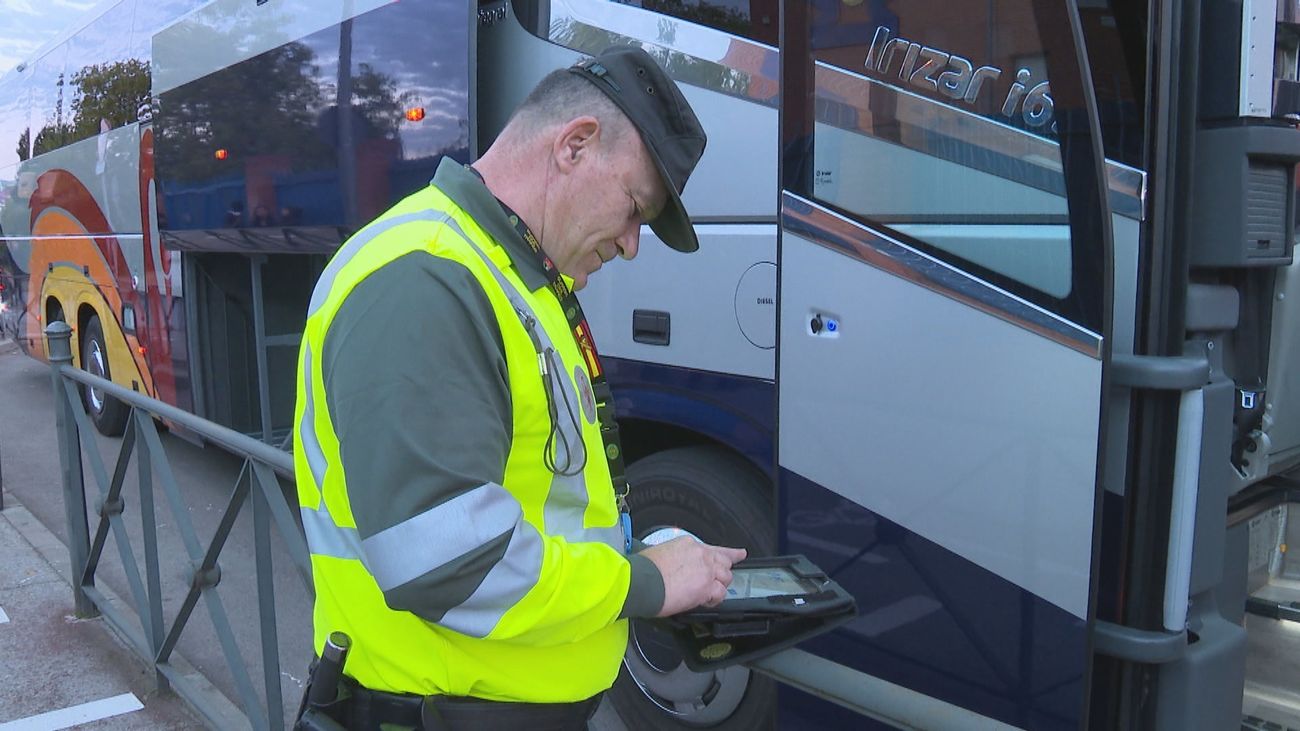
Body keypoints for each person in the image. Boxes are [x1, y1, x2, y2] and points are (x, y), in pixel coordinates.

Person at [293, 46, 747, 730]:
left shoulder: (507, 273)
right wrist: (647, 583)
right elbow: (451, 563)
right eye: (634, 207)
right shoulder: (426, 277)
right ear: (575, 146)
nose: (631, 244)